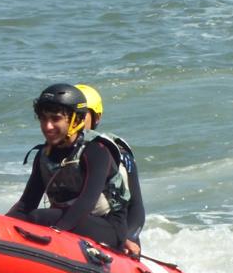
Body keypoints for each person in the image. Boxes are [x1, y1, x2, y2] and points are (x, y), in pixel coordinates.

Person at [7, 83, 137, 254]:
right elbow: (26, 204)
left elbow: (86, 203)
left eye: (55, 119)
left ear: (76, 120)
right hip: (67, 220)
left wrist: (55, 233)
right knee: (32, 216)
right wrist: (0, 227)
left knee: (38, 217)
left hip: (108, 227)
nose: (48, 126)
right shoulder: (44, 155)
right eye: (43, 119)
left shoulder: (96, 151)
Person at [75, 83, 145, 258]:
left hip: (114, 234)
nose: (74, 121)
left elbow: (136, 208)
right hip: (71, 232)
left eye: (81, 116)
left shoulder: (114, 152)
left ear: (96, 118)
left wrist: (128, 237)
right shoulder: (54, 153)